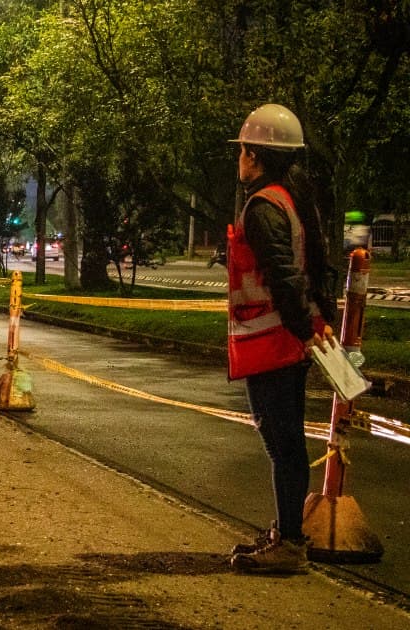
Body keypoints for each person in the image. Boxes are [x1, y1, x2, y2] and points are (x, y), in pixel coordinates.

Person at [226, 103, 337, 573]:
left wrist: (304, 329)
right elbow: (311, 268)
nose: (239, 159)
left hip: (272, 343)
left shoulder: (262, 208)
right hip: (286, 342)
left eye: (242, 151)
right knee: (287, 443)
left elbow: (284, 278)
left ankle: (289, 544)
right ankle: (285, 532)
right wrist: (314, 325)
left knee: (282, 445)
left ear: (254, 155)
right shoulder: (290, 200)